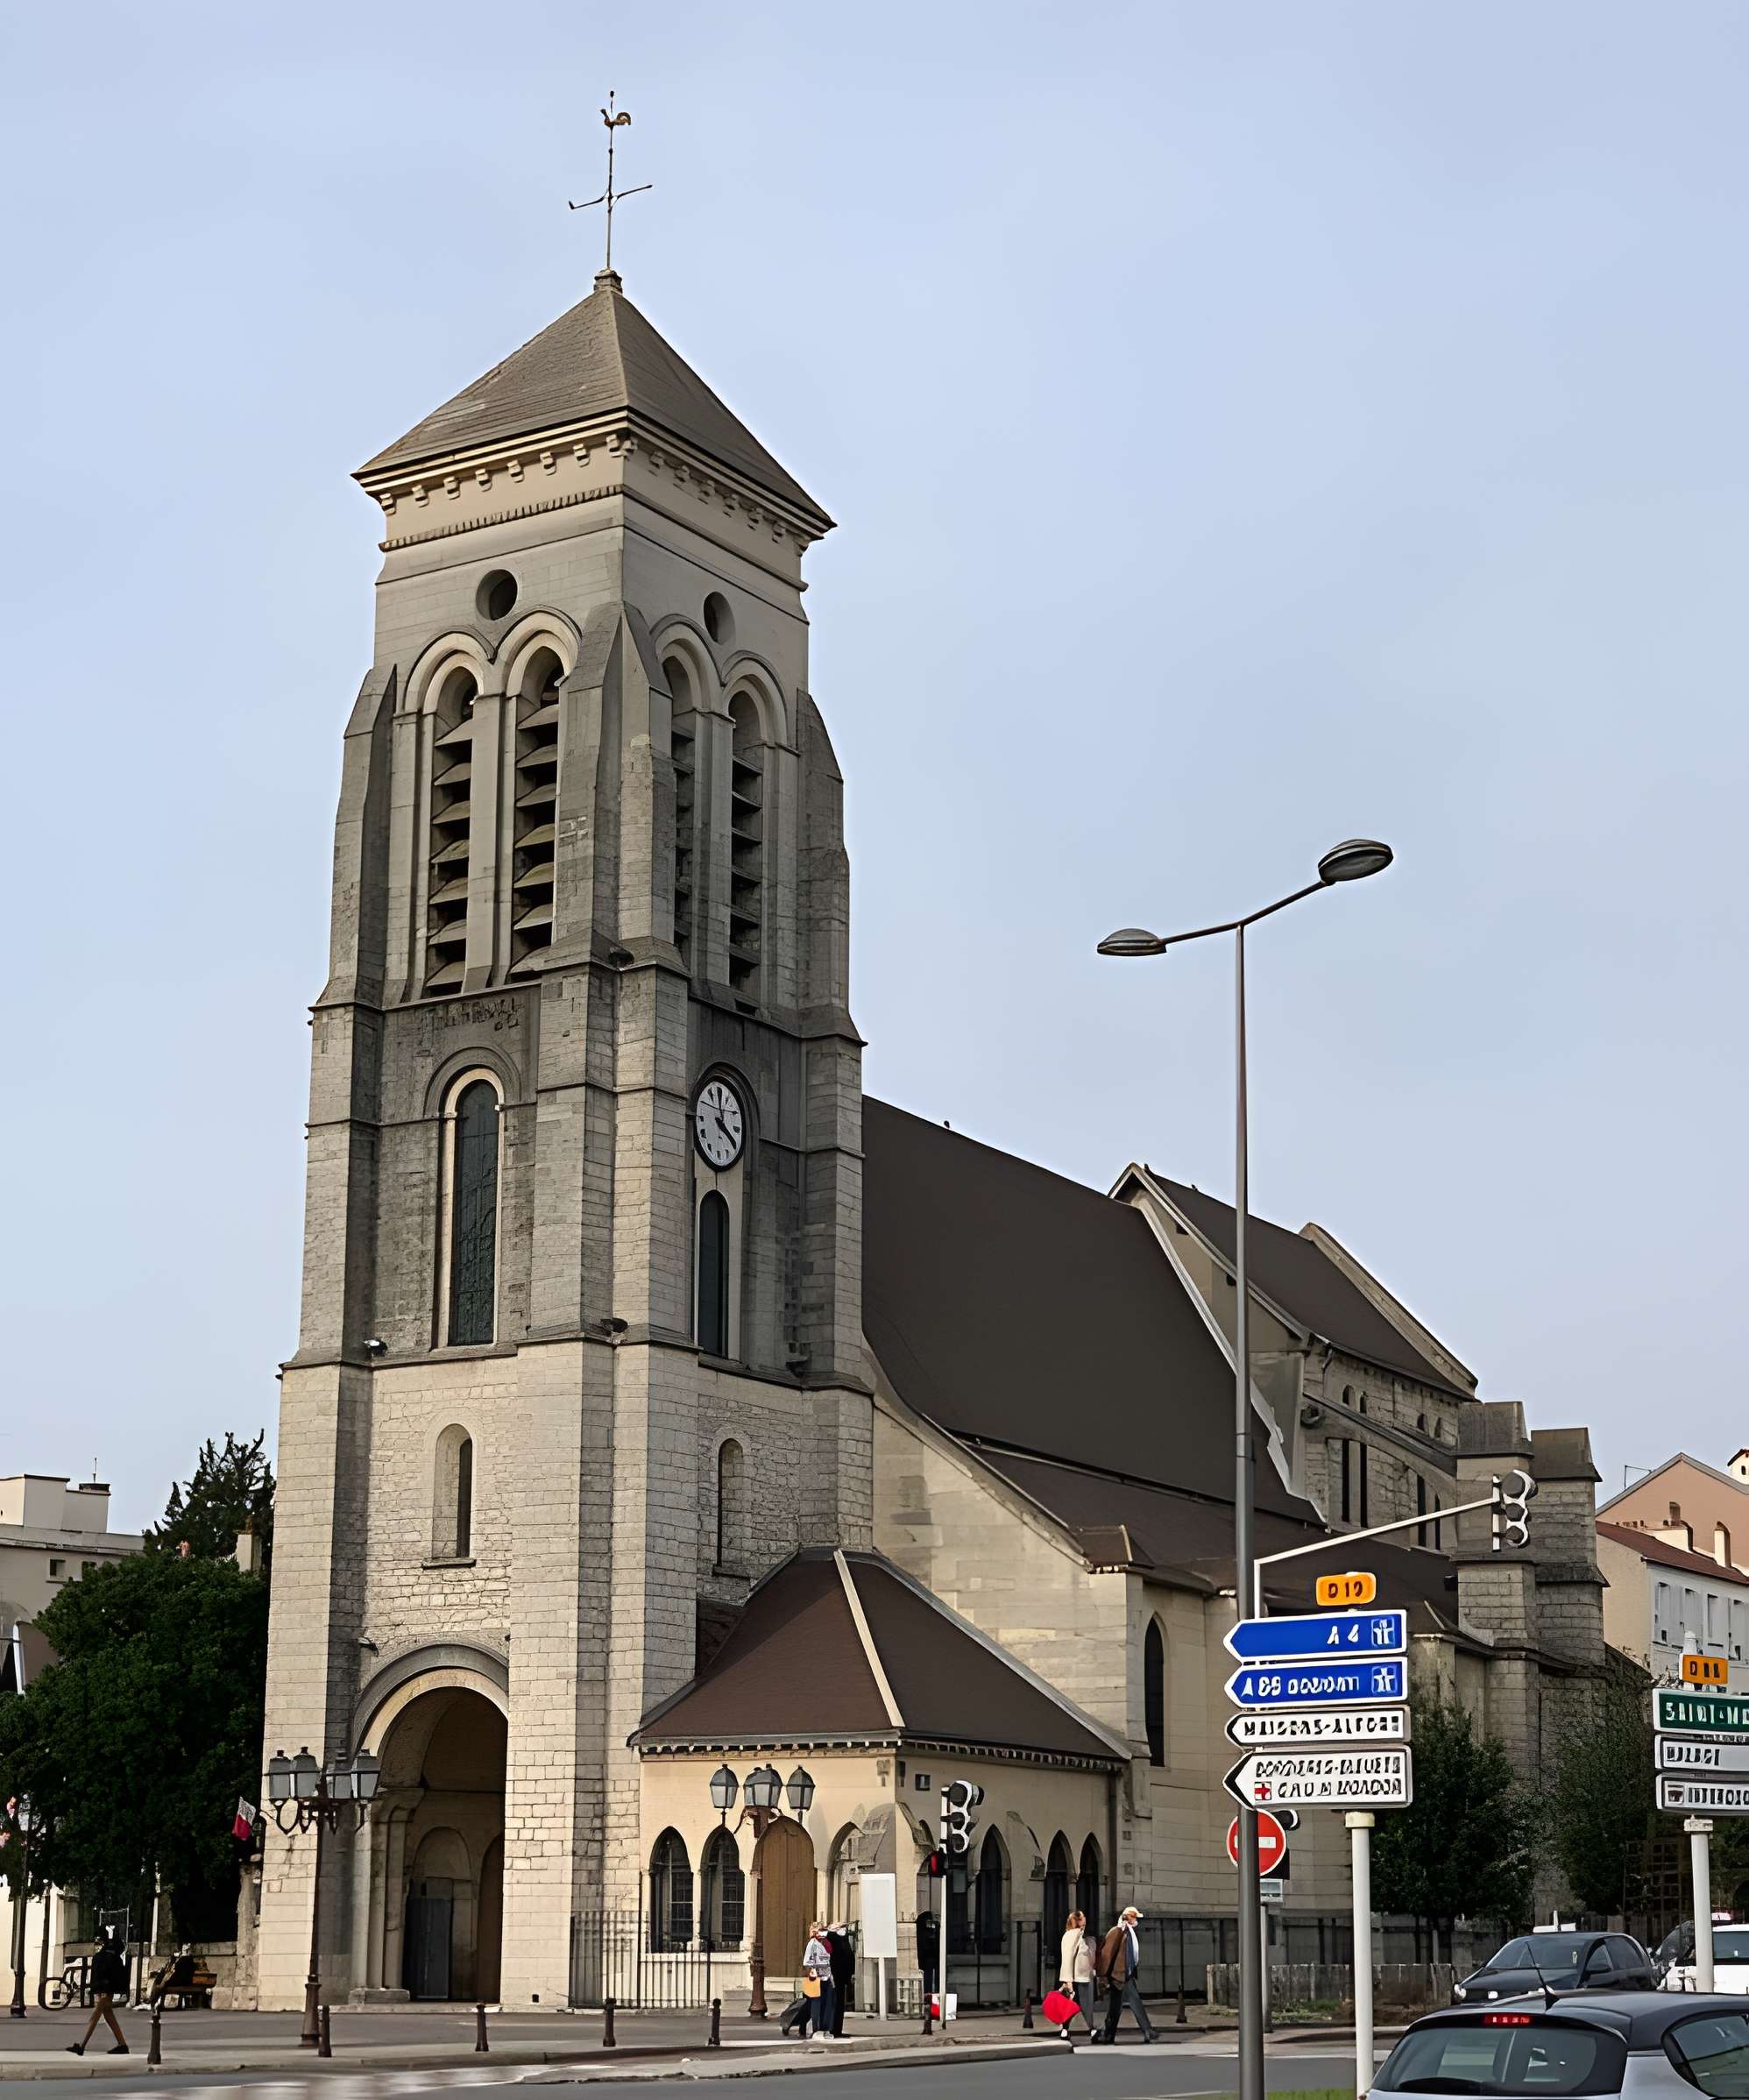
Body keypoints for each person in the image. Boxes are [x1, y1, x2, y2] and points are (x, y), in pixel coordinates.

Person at [1094, 1905, 1156, 2045]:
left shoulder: (1129, 1932)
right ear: (1127, 1917)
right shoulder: (1117, 1932)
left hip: (1126, 1974)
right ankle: (1147, 2031)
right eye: (1134, 1917)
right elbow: (1107, 1955)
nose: (1137, 1921)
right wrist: (1103, 1976)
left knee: (1116, 2007)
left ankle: (1106, 2033)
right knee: (1133, 2003)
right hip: (1119, 1975)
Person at [67, 1928, 130, 2056]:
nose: (96, 1944)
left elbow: (106, 1973)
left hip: (107, 1989)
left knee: (96, 2015)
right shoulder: (108, 1954)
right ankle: (122, 2044)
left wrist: (102, 1990)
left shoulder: (106, 1955)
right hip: (107, 1988)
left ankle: (82, 2045)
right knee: (108, 2014)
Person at [1058, 1907, 1094, 2031]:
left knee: (1077, 2005)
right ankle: (1091, 2030)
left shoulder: (1083, 1935)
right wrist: (1068, 1980)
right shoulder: (1072, 1935)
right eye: (1082, 1917)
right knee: (1083, 2005)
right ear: (1077, 1921)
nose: (1085, 1919)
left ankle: (1065, 2029)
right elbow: (1068, 1958)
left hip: (1084, 1977)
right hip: (1078, 1978)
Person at [801, 1922, 835, 2040]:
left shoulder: (826, 1943)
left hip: (826, 1976)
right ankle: (816, 2029)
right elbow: (806, 1962)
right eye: (818, 1930)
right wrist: (816, 1968)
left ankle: (825, 2028)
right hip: (816, 1978)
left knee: (827, 2004)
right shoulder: (812, 1944)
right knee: (816, 2004)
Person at [826, 1921, 854, 2037]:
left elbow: (850, 1957)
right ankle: (833, 2028)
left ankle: (837, 2029)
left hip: (843, 1976)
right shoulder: (832, 1938)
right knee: (835, 2003)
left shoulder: (844, 1939)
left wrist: (851, 1973)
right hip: (835, 1975)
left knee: (839, 2004)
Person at [915, 1905, 940, 2009]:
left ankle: (929, 2002)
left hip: (927, 1960)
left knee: (929, 1982)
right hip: (930, 1960)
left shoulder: (922, 1932)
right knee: (930, 1982)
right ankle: (931, 2003)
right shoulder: (927, 1933)